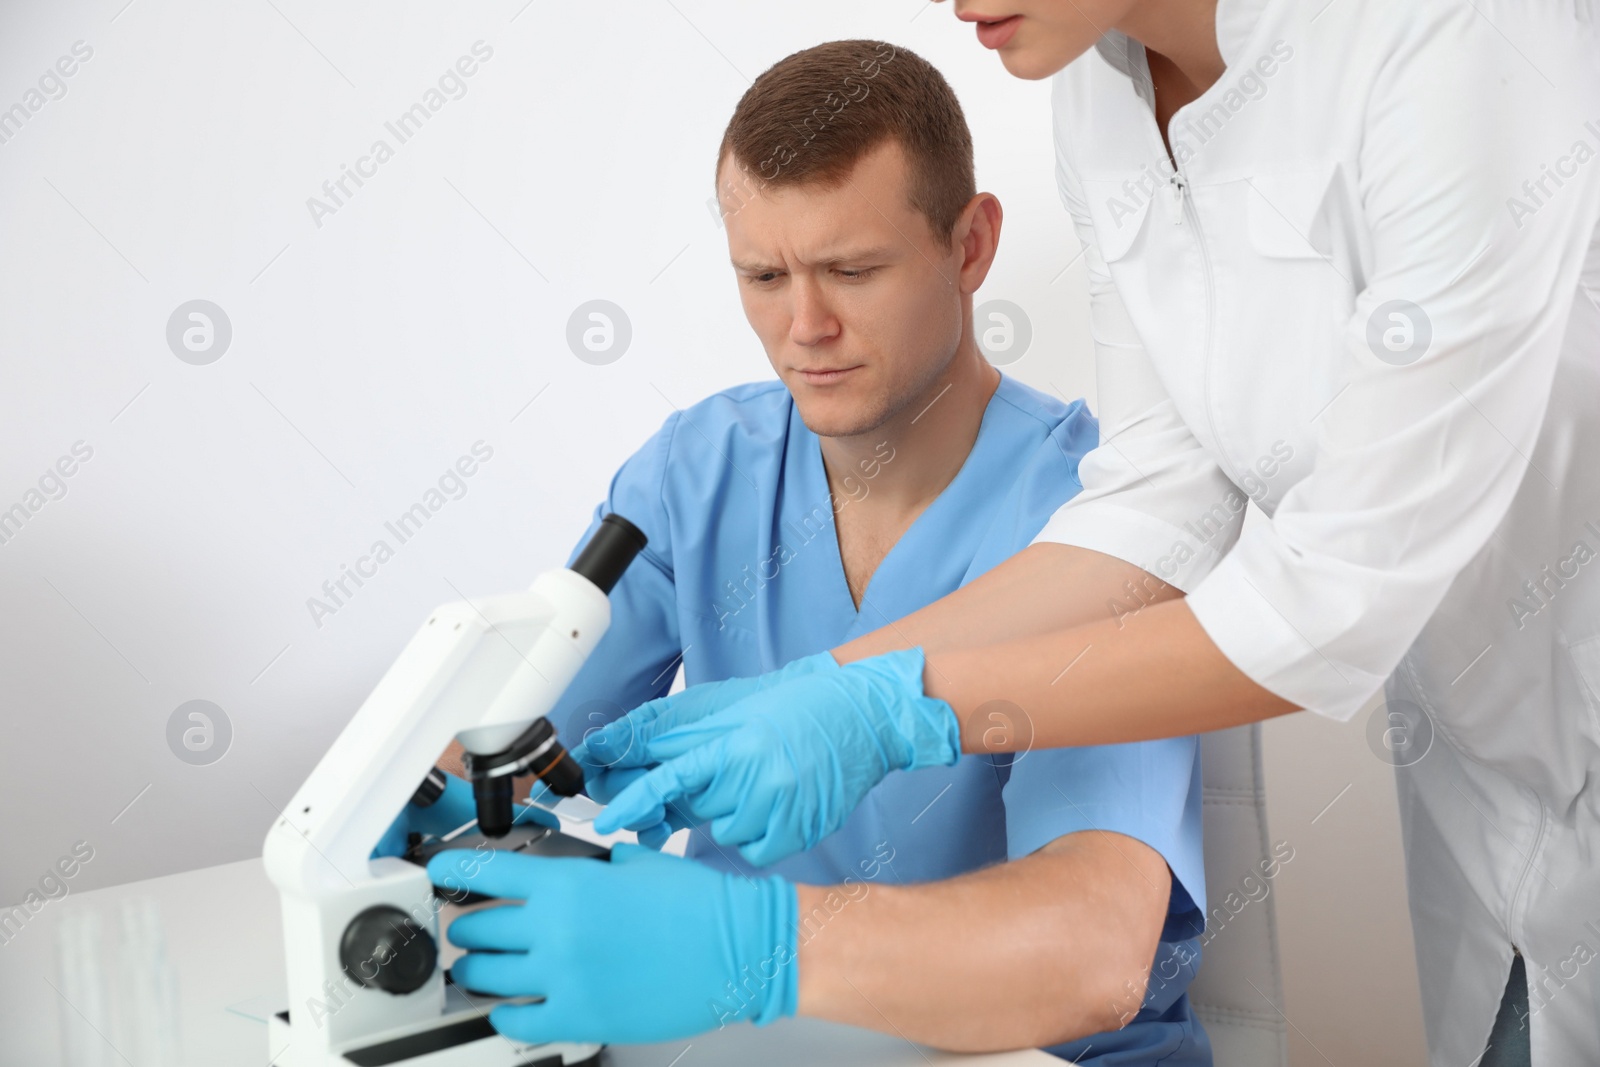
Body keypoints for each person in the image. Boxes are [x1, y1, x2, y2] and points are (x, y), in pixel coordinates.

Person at [590, 4, 1600, 1066]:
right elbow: (1160, 497)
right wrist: (831, 682)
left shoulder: (1453, 31)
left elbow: (1334, 595)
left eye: (852, 269)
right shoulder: (1100, 84)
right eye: (765, 276)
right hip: (1497, 749)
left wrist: (898, 708)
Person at [419, 40, 1214, 1063]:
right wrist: (417, 793)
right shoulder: (700, 472)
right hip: (755, 1037)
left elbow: (1090, 955)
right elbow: (505, 760)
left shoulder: (1107, 519)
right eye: (762, 275)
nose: (805, 327)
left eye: (852, 269)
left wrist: (748, 944)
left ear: (970, 245)